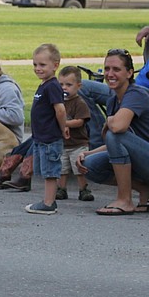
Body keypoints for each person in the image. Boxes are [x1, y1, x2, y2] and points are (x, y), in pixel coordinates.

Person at [77, 49, 149, 215]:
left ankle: (124, 200)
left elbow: (118, 129)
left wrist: (109, 121)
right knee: (89, 165)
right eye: (107, 69)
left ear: (129, 73)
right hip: (144, 159)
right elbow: (120, 143)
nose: (110, 74)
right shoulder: (113, 99)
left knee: (115, 133)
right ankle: (145, 189)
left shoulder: (136, 94)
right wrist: (89, 153)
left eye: (116, 69)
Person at [23, 44, 70, 215]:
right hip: (41, 138)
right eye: (35, 64)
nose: (37, 68)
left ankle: (49, 203)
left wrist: (63, 127)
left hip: (50, 138)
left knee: (50, 171)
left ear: (55, 65)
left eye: (42, 65)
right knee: (44, 170)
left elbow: (60, 109)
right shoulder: (44, 85)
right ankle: (47, 200)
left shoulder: (52, 86)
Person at [56, 66, 93, 200]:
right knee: (62, 169)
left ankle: (83, 189)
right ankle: (61, 189)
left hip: (78, 144)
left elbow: (80, 121)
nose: (64, 88)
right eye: (61, 84)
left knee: (79, 169)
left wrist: (63, 123)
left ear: (78, 86)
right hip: (63, 144)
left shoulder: (79, 103)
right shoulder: (58, 103)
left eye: (69, 85)